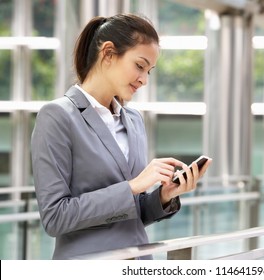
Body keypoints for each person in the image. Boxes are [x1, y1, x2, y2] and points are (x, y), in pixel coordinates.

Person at [30, 13, 211, 260]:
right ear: (108, 53)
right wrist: (133, 187)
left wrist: (164, 196)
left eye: (149, 71)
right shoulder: (57, 116)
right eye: (139, 66)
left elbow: (130, 213)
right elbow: (55, 217)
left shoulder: (134, 121)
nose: (144, 80)